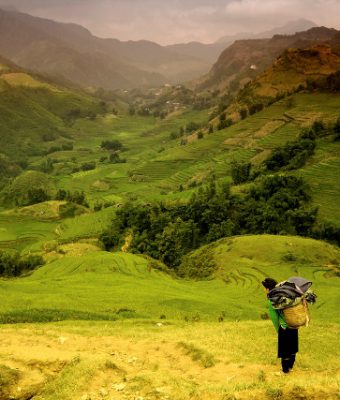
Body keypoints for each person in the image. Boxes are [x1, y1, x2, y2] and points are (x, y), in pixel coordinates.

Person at [262, 277, 298, 374]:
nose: (264, 290)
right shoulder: (286, 295)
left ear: (268, 289)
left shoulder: (272, 300)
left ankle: (285, 371)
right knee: (292, 347)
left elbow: (274, 318)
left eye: (264, 288)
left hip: (284, 327)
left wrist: (279, 330)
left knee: (285, 350)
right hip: (294, 324)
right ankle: (290, 367)